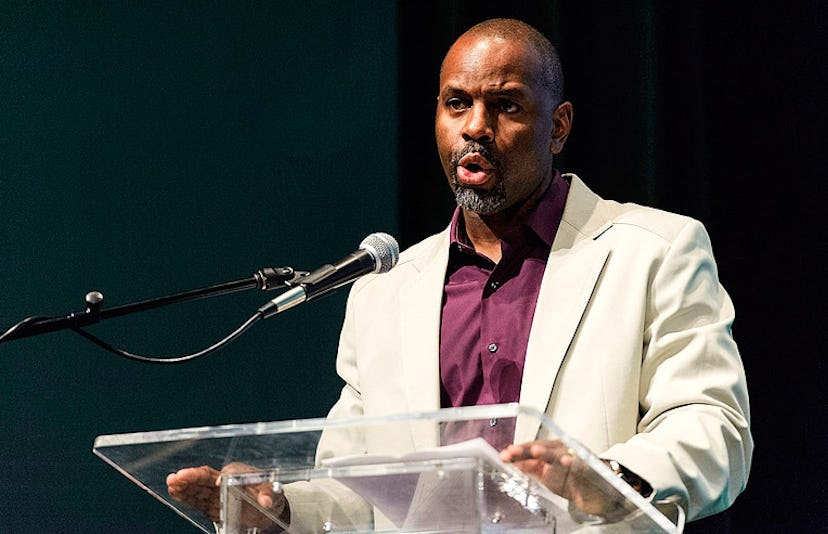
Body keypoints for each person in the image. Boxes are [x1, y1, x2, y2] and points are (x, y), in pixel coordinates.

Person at [168, 18, 752, 531]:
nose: (476, 126)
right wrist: (277, 509)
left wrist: (605, 478)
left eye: (507, 105)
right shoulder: (385, 291)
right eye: (457, 104)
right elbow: (356, 491)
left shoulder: (653, 252)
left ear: (558, 125)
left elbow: (714, 428)